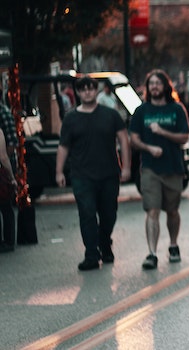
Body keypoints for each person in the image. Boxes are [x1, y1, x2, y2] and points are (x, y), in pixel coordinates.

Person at [55, 76, 131, 270]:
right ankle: (91, 254)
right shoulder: (71, 118)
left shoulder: (110, 115)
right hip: (82, 175)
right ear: (78, 93)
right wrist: (59, 172)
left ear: (96, 90)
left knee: (109, 214)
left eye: (91, 88)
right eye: (83, 89)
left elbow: (123, 140)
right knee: (87, 213)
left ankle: (105, 243)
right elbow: (63, 146)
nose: (87, 92)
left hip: (108, 173)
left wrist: (126, 167)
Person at [129, 69, 189, 270]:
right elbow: (134, 139)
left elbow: (184, 137)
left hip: (173, 167)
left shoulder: (177, 109)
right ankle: (152, 253)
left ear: (165, 86)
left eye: (158, 83)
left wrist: (162, 132)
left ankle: (173, 245)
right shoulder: (141, 111)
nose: (154, 86)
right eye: (151, 83)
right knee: (152, 210)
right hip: (150, 169)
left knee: (172, 211)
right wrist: (149, 148)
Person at [0, 95, 18, 253]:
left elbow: (8, 151)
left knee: (5, 206)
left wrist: (11, 175)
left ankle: (8, 241)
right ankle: (7, 241)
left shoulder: (4, 113)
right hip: (2, 170)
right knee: (5, 206)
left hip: (2, 171)